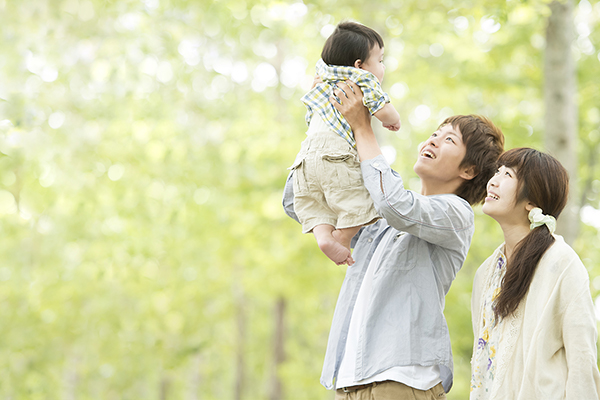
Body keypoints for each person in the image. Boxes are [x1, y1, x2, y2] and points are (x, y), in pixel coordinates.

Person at [283, 78, 505, 398]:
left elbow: (394, 204)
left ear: (468, 170)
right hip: (350, 381)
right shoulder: (383, 220)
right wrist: (325, 122)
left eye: (448, 140)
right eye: (435, 134)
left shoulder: (456, 214)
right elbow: (299, 200)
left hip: (403, 380)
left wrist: (363, 127)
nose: (433, 140)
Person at [470, 147, 600, 399]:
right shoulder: (485, 273)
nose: (493, 181)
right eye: (497, 172)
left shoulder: (562, 263)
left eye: (507, 175)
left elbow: (582, 361)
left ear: (532, 201)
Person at [289, 21, 401, 266]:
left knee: (314, 204)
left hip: (304, 158)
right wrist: (394, 120)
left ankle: (323, 236)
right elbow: (384, 111)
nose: (382, 67)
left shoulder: (323, 75)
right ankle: (341, 236)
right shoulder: (362, 79)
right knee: (362, 199)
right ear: (359, 65)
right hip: (336, 154)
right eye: (380, 60)